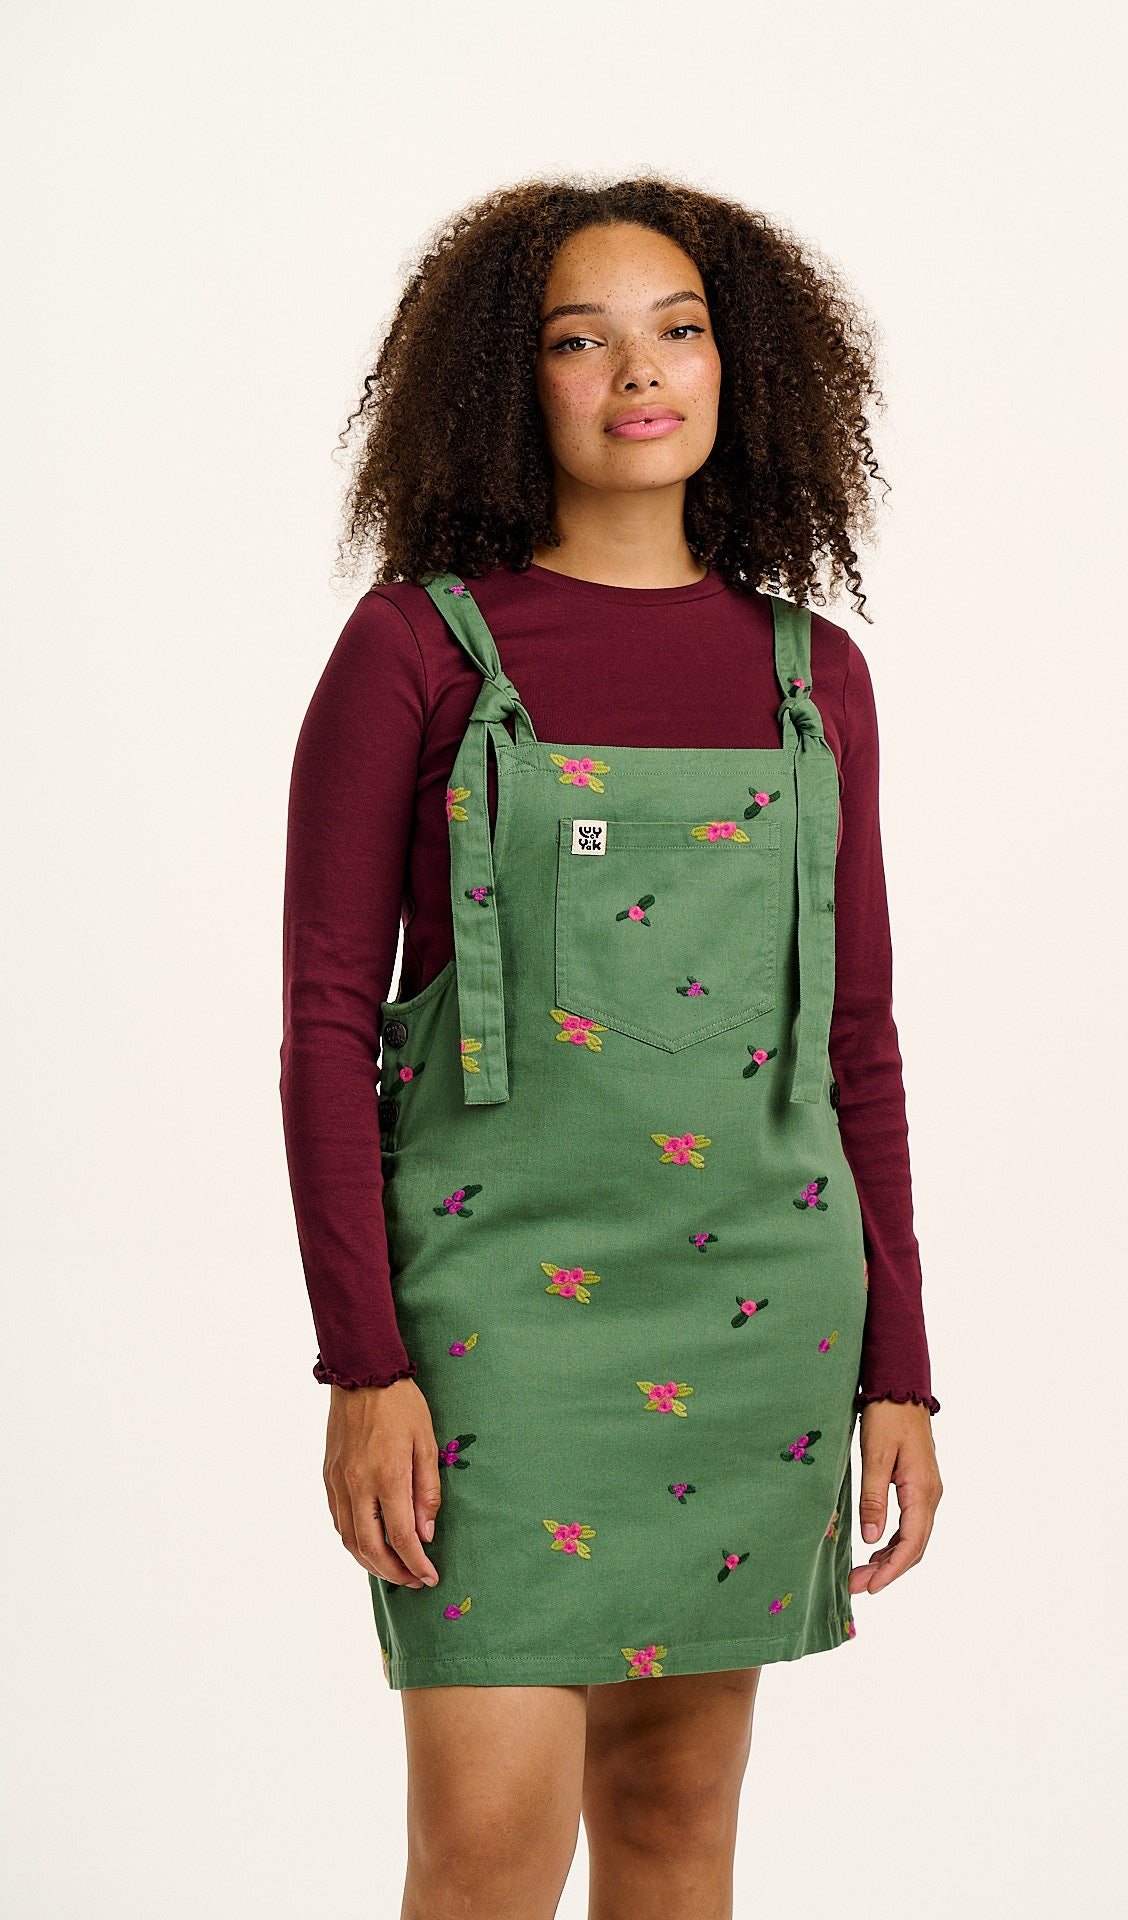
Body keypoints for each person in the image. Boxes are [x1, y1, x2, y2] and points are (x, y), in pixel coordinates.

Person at [280, 175, 943, 1920]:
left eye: (679, 330)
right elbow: (328, 1021)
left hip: (756, 1312)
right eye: (580, 340)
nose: (638, 372)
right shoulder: (417, 648)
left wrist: (899, 1370)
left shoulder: (815, 675)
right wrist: (362, 1362)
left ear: (743, 368)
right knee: (487, 1846)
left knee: (670, 1822)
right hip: (488, 1323)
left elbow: (857, 1038)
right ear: (513, 383)